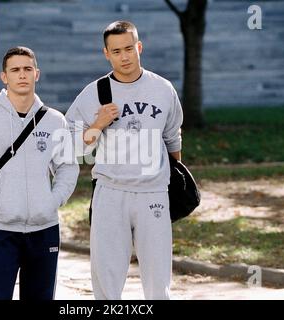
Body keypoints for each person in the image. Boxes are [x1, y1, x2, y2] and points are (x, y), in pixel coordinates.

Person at [65, 21, 183, 300]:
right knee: (106, 275)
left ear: (139, 47)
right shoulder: (95, 92)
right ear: (106, 54)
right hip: (110, 191)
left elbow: (173, 138)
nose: (125, 56)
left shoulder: (163, 89)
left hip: (152, 191)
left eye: (129, 48)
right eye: (116, 51)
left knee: (157, 277)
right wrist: (98, 123)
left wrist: (175, 182)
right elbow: (70, 143)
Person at [0, 46, 79, 300]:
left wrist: (52, 202)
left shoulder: (55, 120)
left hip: (44, 228)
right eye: (15, 70)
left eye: (27, 69)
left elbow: (67, 167)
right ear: (4, 76)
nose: (21, 74)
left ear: (37, 74)